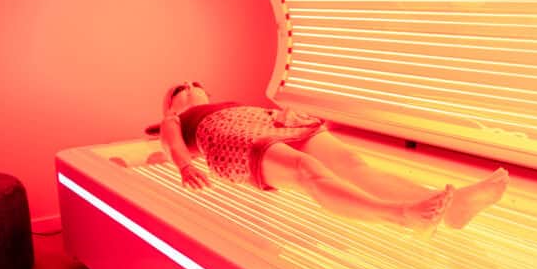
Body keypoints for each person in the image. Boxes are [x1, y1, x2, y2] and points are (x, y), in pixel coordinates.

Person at [158, 81, 509, 231]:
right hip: (228, 135)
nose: (190, 86)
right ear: (170, 104)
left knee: (353, 165)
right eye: (181, 88)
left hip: (273, 121)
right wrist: (185, 165)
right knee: (305, 170)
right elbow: (172, 142)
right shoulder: (176, 119)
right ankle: (400, 214)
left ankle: (452, 206)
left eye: (196, 84)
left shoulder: (229, 103)